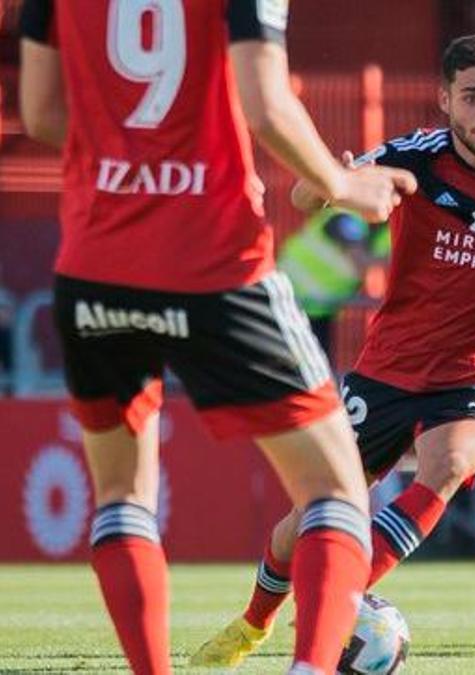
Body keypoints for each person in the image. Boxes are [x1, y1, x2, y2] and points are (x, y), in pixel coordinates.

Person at [19, 1, 416, 673]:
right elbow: (266, 107)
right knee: (334, 490)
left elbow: (41, 114)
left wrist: (128, 157)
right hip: (212, 260)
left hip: (95, 263)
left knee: (121, 495)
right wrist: (345, 185)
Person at [190, 34, 475, 667]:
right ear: (445, 99)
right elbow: (308, 199)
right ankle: (252, 625)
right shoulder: (415, 160)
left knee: (449, 462)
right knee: (309, 515)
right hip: (388, 372)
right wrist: (334, 176)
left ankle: (341, 602)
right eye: (471, 98)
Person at [277, 207, 389, 356]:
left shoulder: (385, 231)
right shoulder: (345, 215)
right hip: (291, 300)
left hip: (320, 309)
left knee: (315, 367)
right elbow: (360, 261)